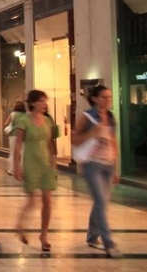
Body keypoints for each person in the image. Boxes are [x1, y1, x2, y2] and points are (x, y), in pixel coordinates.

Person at [72, 85, 121, 258]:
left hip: (108, 164)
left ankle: (92, 236)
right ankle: (109, 242)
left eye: (109, 97)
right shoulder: (86, 117)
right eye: (103, 97)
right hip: (92, 164)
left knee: (102, 202)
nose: (107, 100)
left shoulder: (111, 116)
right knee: (101, 200)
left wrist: (115, 167)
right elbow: (75, 140)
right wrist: (93, 132)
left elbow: (113, 141)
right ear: (94, 99)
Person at [13, 90, 58, 252]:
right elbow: (18, 144)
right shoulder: (23, 120)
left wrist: (54, 162)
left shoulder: (48, 121)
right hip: (31, 162)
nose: (43, 104)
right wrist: (16, 166)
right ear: (32, 103)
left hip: (46, 163)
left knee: (47, 200)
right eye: (40, 101)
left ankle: (44, 235)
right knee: (32, 200)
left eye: (44, 101)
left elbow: (50, 143)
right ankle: (20, 225)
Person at [4, 101, 27, 175]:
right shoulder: (25, 115)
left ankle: (11, 170)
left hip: (13, 135)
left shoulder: (12, 114)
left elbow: (6, 123)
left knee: (13, 153)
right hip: (23, 135)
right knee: (23, 153)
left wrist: (12, 124)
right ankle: (23, 170)